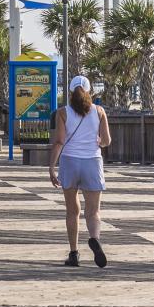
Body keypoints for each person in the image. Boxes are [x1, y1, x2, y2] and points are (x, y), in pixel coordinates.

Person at [48, 74, 113, 268]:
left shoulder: (62, 112)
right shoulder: (99, 111)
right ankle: (95, 238)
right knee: (93, 212)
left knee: (72, 211)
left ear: (70, 92)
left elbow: (59, 141)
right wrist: (98, 141)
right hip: (92, 162)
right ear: (89, 91)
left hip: (70, 161)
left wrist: (51, 167)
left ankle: (74, 253)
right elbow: (107, 141)